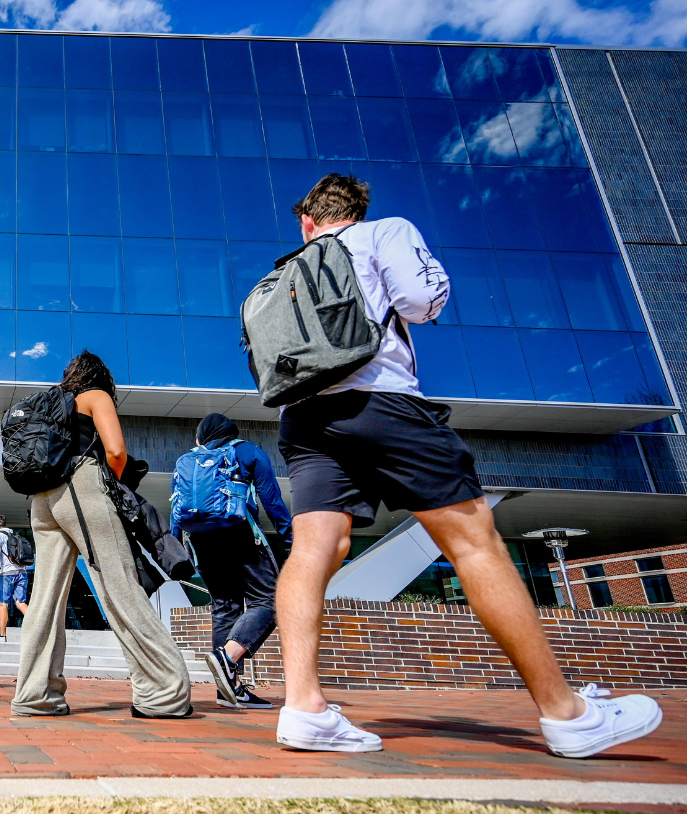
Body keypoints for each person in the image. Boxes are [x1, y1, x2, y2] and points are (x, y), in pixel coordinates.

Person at [274, 173, 663, 756]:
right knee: (474, 544)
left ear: (307, 221)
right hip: (383, 399)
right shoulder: (385, 232)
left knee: (313, 549)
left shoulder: (288, 268)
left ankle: (303, 707)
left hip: (304, 417)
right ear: (356, 210)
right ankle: (567, 714)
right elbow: (422, 301)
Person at [13, 351, 194, 719]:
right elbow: (116, 452)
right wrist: (113, 488)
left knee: (45, 599)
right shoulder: (95, 396)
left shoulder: (49, 404)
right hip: (82, 489)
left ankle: (35, 696)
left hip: (42, 500)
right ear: (100, 376)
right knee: (120, 585)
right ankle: (163, 692)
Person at [185, 413, 292, 710]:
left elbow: (177, 509)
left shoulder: (190, 460)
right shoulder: (247, 451)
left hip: (200, 542)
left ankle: (228, 690)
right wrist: (290, 540)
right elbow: (272, 500)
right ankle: (226, 658)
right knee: (272, 599)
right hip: (239, 536)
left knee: (225, 607)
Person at [0, 515, 29, 642]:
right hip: (22, 572)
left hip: (6, 574)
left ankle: (3, 636)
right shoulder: (15, 535)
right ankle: (38, 626)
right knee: (20, 602)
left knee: (3, 604)